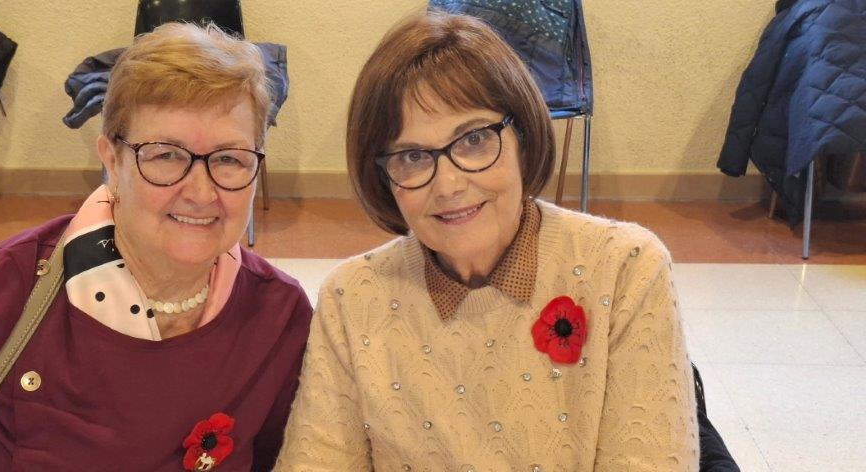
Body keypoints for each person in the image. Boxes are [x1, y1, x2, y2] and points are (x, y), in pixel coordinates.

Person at [0, 22, 311, 471]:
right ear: (112, 161)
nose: (201, 192)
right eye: (166, 155)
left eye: (229, 159)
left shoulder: (280, 316)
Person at [275, 11, 698, 471]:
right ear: (383, 177)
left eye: (474, 139)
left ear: (523, 138)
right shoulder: (351, 297)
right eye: (412, 156)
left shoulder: (624, 269)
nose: (448, 185)